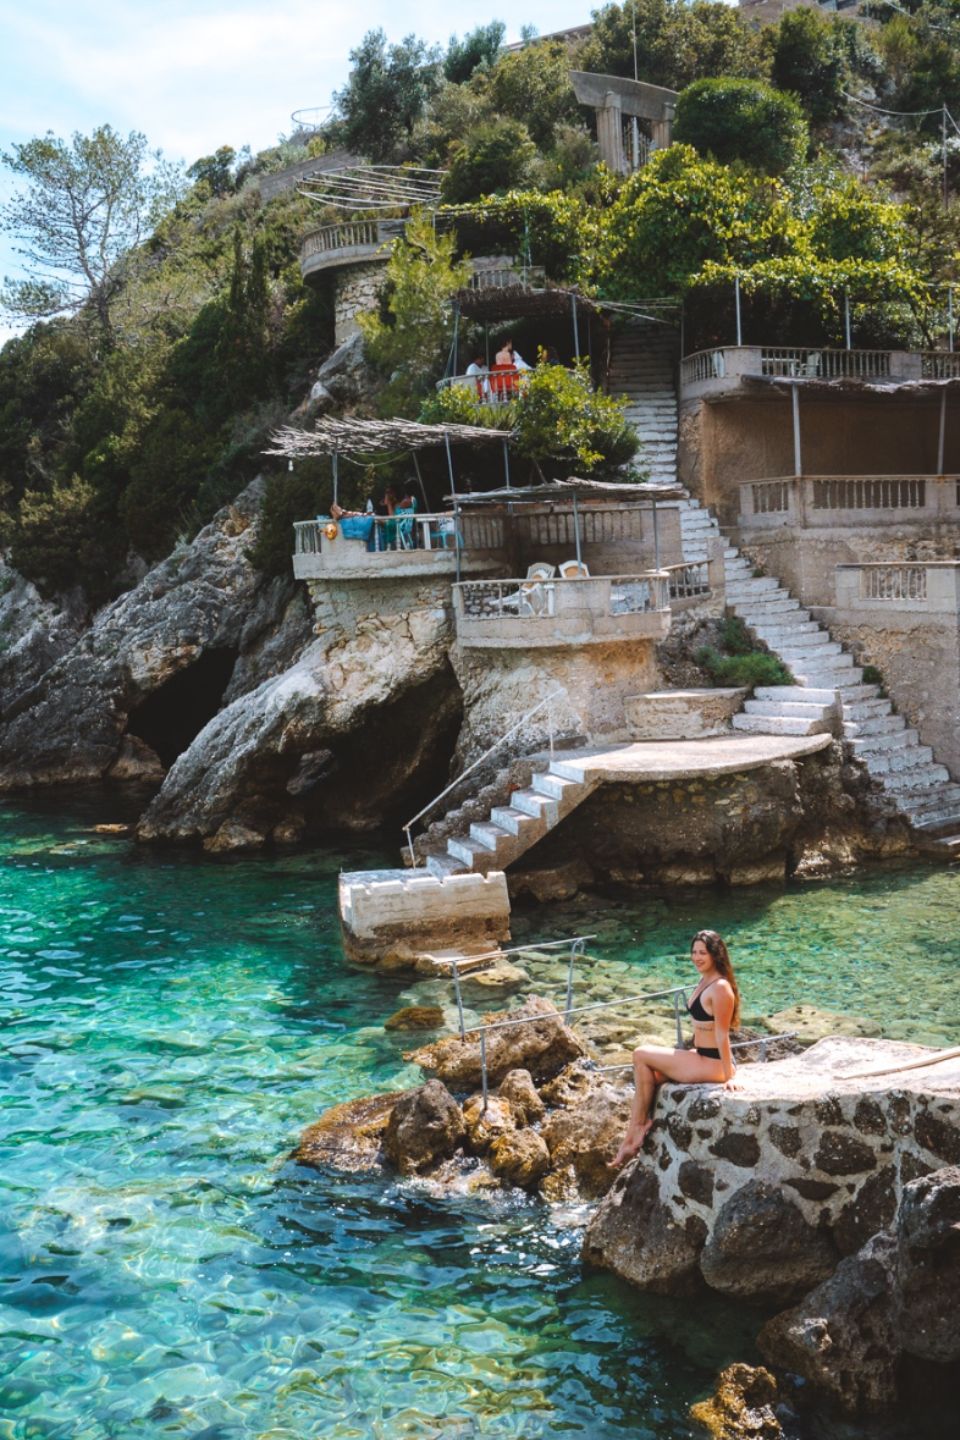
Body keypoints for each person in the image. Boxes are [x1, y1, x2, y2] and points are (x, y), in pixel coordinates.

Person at [610, 929, 743, 1168]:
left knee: (640, 1054)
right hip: (701, 1056)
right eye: (694, 952)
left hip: (714, 1063)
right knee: (651, 1076)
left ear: (715, 954)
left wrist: (729, 1076)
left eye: (702, 953)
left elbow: (722, 1034)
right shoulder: (705, 980)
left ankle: (636, 1131)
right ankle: (633, 1135)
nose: (696, 957)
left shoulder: (721, 987)